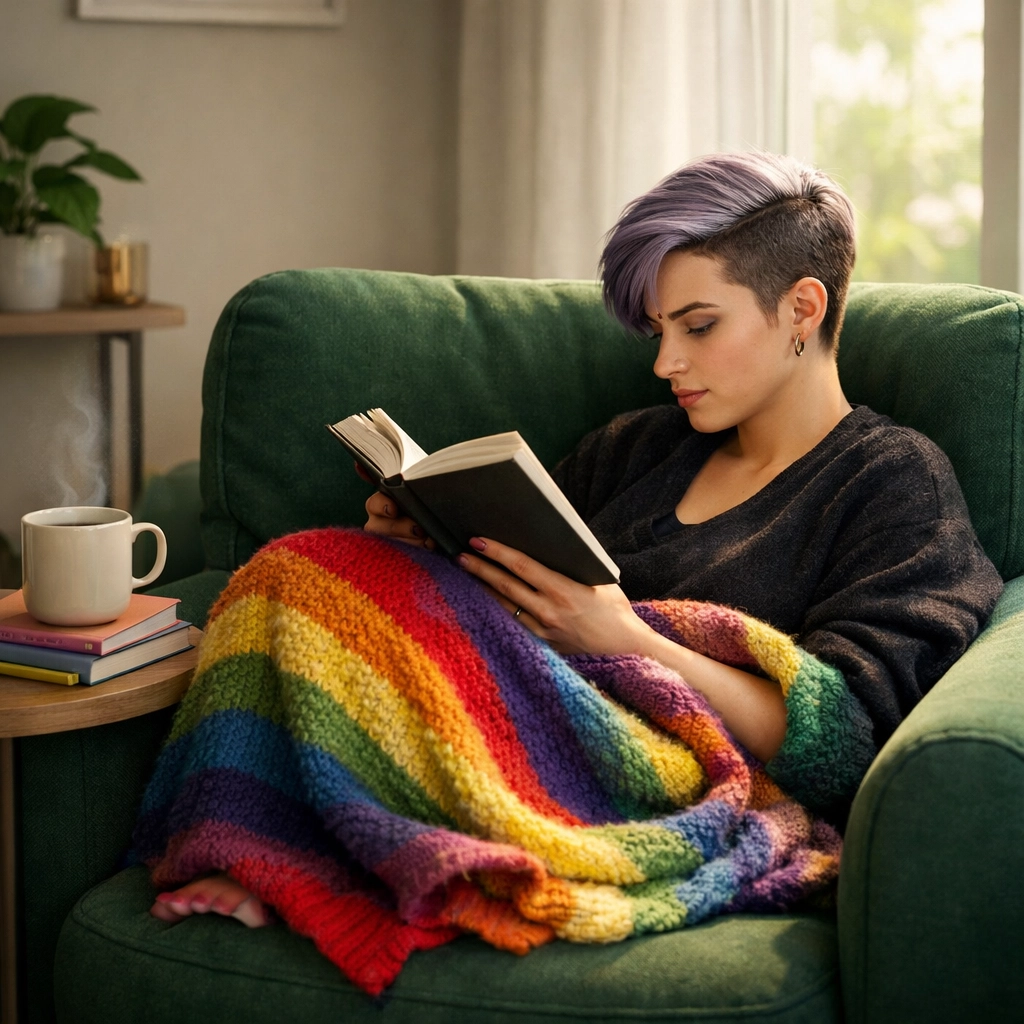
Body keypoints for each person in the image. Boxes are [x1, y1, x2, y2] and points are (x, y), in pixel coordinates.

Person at [149, 150, 1003, 931]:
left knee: (310, 569)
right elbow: (516, 608)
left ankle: (300, 858)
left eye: (698, 326)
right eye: (660, 330)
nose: (667, 362)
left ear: (802, 309)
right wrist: (430, 542)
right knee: (310, 563)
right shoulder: (638, 447)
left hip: (681, 771)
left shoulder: (892, 481)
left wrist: (626, 638)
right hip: (532, 706)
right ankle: (260, 843)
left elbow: (852, 739)